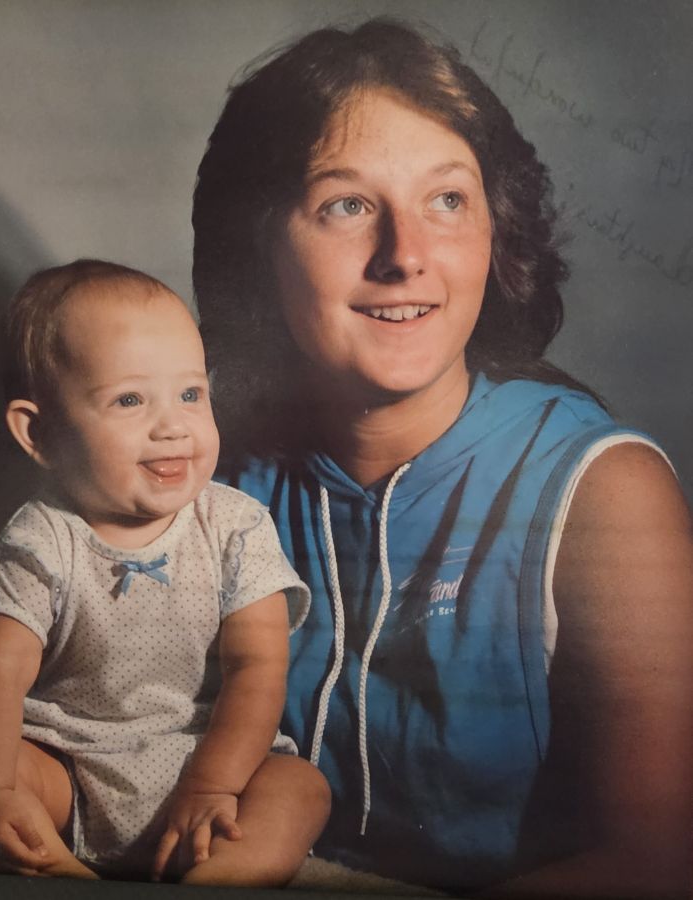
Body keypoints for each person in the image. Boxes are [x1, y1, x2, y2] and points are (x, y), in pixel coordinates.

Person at [192, 18, 693, 898]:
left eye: (448, 200)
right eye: (346, 205)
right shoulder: (204, 479)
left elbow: (656, 867)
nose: (406, 256)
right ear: (257, 242)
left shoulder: (605, 494)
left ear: (498, 230)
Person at [0, 259, 330, 883]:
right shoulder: (41, 540)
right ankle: (53, 862)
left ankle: (218, 878)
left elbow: (258, 667)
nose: (172, 427)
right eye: (130, 400)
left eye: (190, 394)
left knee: (300, 788)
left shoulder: (236, 526)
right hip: (71, 765)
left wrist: (214, 785)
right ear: (40, 433)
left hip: (211, 758)